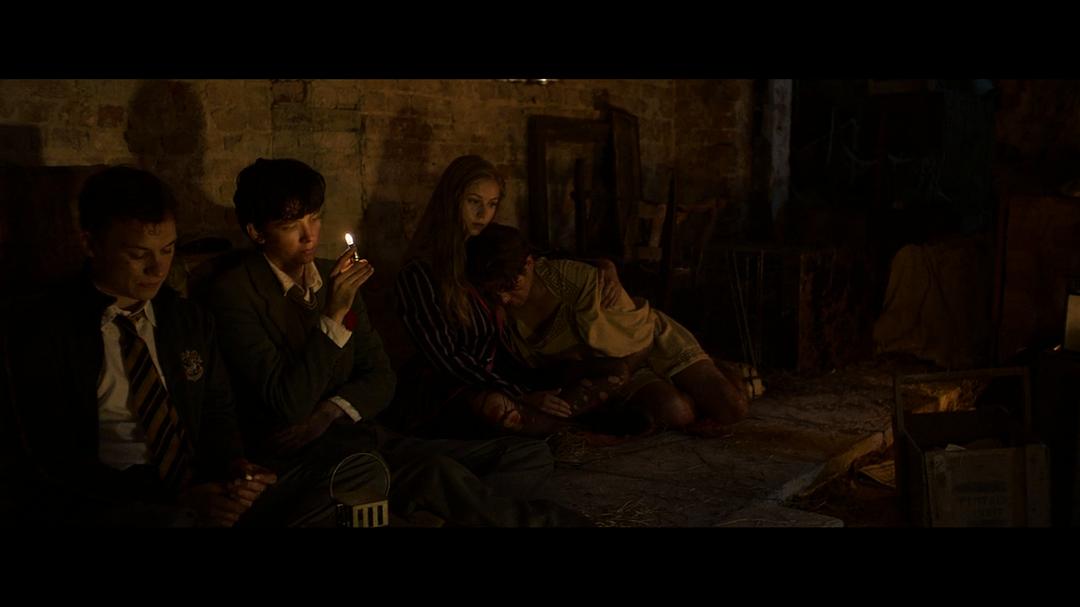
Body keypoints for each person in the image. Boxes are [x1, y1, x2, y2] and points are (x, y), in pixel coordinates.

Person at [203, 158, 588, 526]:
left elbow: (381, 376)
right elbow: (289, 403)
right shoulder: (236, 293)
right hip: (314, 458)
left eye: (315, 218)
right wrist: (332, 316)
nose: (310, 235)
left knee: (527, 455)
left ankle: (432, 512)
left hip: (363, 433)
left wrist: (330, 411)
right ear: (257, 232)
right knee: (436, 473)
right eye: (291, 226)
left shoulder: (330, 275)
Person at [2, 166, 386, 527]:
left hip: (206, 486)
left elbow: (218, 417)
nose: (157, 269)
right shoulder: (48, 330)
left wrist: (236, 470)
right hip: (122, 502)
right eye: (138, 255)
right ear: (91, 243)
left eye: (167, 250)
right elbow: (53, 462)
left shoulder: (184, 320)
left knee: (354, 479)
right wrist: (179, 499)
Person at [391, 155, 625, 438]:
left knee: (613, 368)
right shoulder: (420, 272)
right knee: (505, 412)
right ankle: (563, 426)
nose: (483, 214)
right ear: (451, 201)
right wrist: (517, 394)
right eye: (473, 202)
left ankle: (559, 423)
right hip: (458, 386)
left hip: (510, 373)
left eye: (492, 204)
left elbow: (537, 256)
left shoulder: (484, 248)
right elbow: (446, 358)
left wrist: (602, 265)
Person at [465, 223, 751, 434]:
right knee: (679, 413)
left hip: (645, 338)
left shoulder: (566, 278)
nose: (504, 298)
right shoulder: (502, 313)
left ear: (529, 265)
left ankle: (718, 370)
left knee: (733, 409)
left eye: (510, 287)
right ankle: (685, 391)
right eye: (495, 291)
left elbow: (636, 341)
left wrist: (613, 375)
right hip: (611, 370)